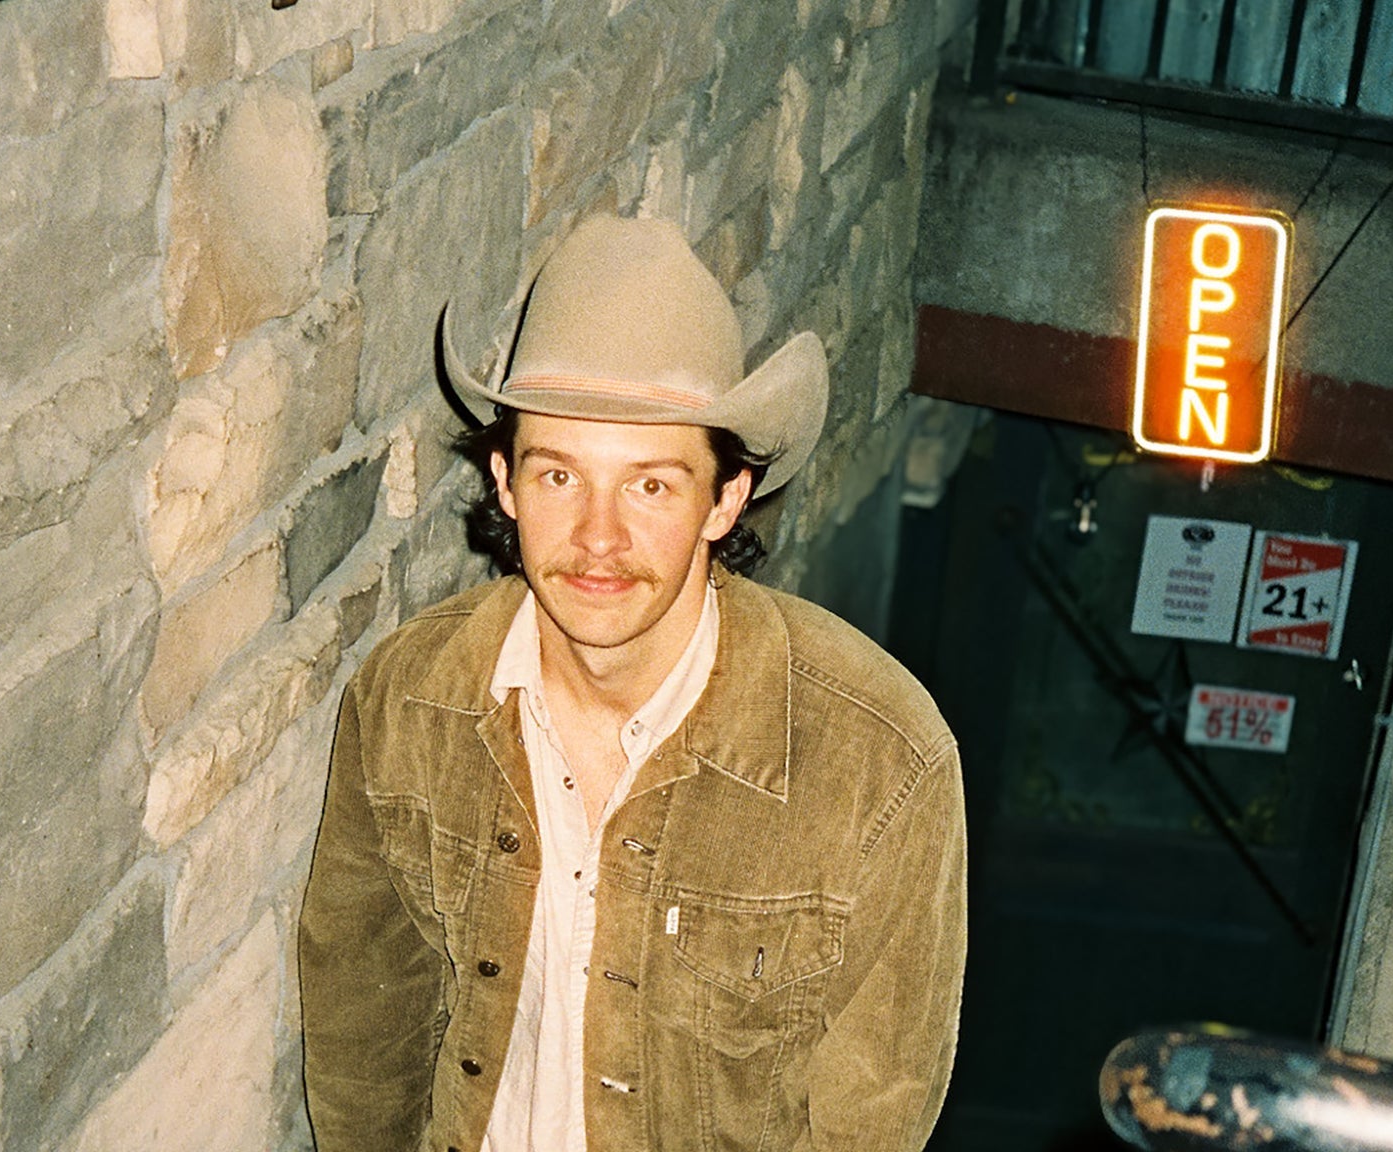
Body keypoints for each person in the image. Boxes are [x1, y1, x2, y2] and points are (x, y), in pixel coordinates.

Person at [297, 215, 967, 1152]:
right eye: (559, 476)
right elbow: (361, 1039)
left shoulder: (878, 762)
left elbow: (871, 1122)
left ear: (725, 498)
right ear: (504, 481)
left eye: (650, 485)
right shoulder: (407, 699)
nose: (598, 537)